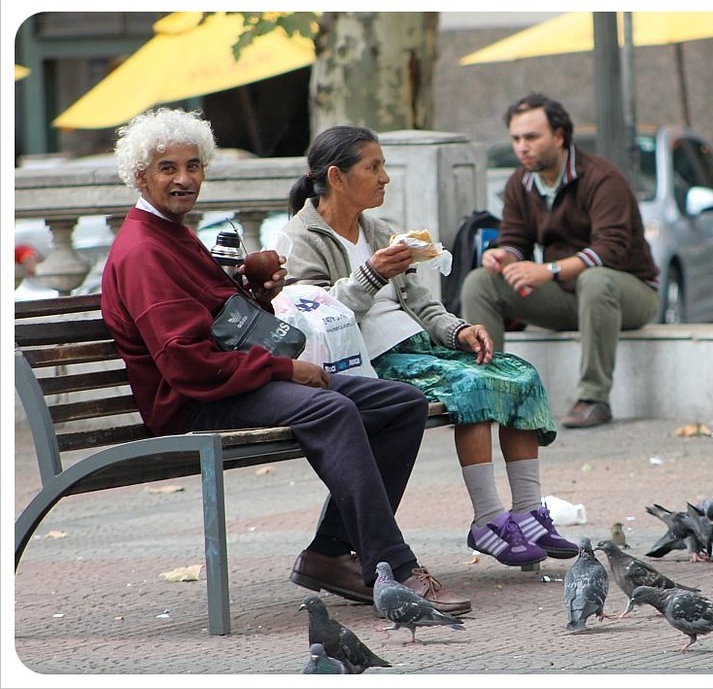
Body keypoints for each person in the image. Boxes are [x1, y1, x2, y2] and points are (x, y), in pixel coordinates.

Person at [99, 108, 470, 615]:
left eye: (193, 165)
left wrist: (253, 287)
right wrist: (283, 369)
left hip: (230, 380)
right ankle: (395, 567)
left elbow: (223, 325)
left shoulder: (176, 234)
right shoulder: (145, 249)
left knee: (400, 403)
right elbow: (187, 364)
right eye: (168, 169)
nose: (184, 179)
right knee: (331, 409)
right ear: (140, 175)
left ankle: (329, 553)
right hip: (193, 401)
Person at [280, 125, 578, 568]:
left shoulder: (378, 231)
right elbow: (313, 315)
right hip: (368, 360)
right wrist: (371, 275)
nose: (385, 178)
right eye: (374, 167)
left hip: (418, 345)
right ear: (337, 177)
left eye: (383, 167)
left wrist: (459, 331)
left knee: (518, 372)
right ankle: (488, 519)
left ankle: (529, 510)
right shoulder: (300, 237)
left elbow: (421, 302)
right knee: (473, 383)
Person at [460, 93, 660, 429]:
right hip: (565, 297)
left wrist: (548, 270)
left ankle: (594, 398)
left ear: (559, 136)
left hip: (627, 293)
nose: (522, 147)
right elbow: (517, 241)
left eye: (532, 137)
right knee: (480, 282)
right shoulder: (519, 183)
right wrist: (503, 255)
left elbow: (609, 250)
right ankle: (490, 395)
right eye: (516, 139)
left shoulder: (601, 177)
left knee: (595, 279)